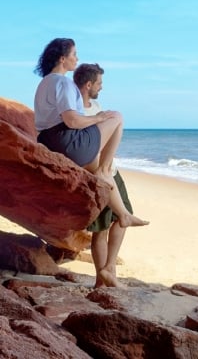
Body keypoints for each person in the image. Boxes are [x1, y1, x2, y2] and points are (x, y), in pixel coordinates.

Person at [33, 38, 148, 281]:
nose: (76, 58)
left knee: (99, 159)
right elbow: (72, 121)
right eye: (73, 54)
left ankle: (123, 215)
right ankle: (106, 172)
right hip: (67, 141)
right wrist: (99, 118)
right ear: (62, 58)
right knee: (116, 116)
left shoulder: (44, 83)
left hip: (50, 140)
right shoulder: (62, 83)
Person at [73, 62, 135, 287]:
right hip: (96, 174)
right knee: (100, 228)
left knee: (123, 217)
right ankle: (101, 279)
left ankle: (109, 269)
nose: (101, 87)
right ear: (88, 84)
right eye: (99, 83)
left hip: (112, 171)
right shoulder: (76, 109)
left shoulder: (97, 105)